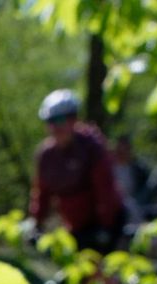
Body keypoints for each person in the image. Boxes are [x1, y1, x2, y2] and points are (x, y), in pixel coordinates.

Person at [29, 89, 126, 254]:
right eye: (50, 121)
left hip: (105, 225)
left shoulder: (92, 147)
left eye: (60, 120)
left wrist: (106, 227)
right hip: (75, 228)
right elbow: (42, 193)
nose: (55, 127)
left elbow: (105, 191)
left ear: (74, 119)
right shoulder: (46, 155)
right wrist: (36, 224)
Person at [112, 134, 150, 229]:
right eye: (120, 150)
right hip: (114, 206)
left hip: (135, 206)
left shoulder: (139, 169)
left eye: (125, 149)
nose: (122, 153)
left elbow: (146, 190)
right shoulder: (108, 169)